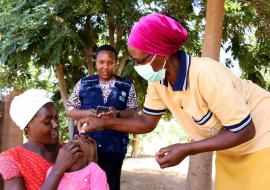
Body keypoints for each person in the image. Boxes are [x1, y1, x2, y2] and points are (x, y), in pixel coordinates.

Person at [76, 13, 270, 190]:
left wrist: (186, 149)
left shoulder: (205, 74)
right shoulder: (158, 81)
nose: (136, 67)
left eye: (140, 61)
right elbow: (146, 121)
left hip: (262, 141)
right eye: (134, 62)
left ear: (162, 54)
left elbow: (245, 130)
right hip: (232, 152)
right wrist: (104, 122)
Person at [66, 44, 138, 190]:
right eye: (101, 62)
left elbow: (133, 112)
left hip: (113, 149)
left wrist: (116, 113)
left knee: (109, 185)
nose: (105, 66)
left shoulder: (126, 86)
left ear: (115, 63)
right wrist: (85, 113)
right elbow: (70, 109)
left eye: (110, 62)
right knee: (81, 185)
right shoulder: (84, 83)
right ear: (96, 62)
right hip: (84, 148)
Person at [0, 89, 82, 190]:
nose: (56, 124)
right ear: (27, 127)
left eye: (56, 117)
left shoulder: (70, 151)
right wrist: (57, 169)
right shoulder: (11, 159)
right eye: (47, 122)